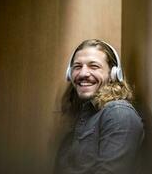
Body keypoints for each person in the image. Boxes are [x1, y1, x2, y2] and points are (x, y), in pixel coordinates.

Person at [54, 39, 144, 174]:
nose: (83, 73)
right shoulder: (82, 117)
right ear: (70, 74)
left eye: (94, 66)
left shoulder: (119, 114)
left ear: (113, 74)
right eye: (77, 66)